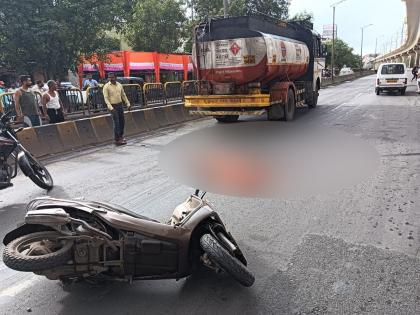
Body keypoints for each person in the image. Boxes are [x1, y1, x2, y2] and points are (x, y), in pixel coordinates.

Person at [103, 72, 131, 145]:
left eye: (112, 77)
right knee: (117, 123)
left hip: (120, 105)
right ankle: (117, 139)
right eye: (109, 77)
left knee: (122, 121)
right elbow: (106, 98)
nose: (110, 79)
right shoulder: (106, 86)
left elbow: (123, 95)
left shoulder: (119, 85)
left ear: (116, 77)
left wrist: (128, 103)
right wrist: (111, 108)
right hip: (112, 106)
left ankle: (121, 136)